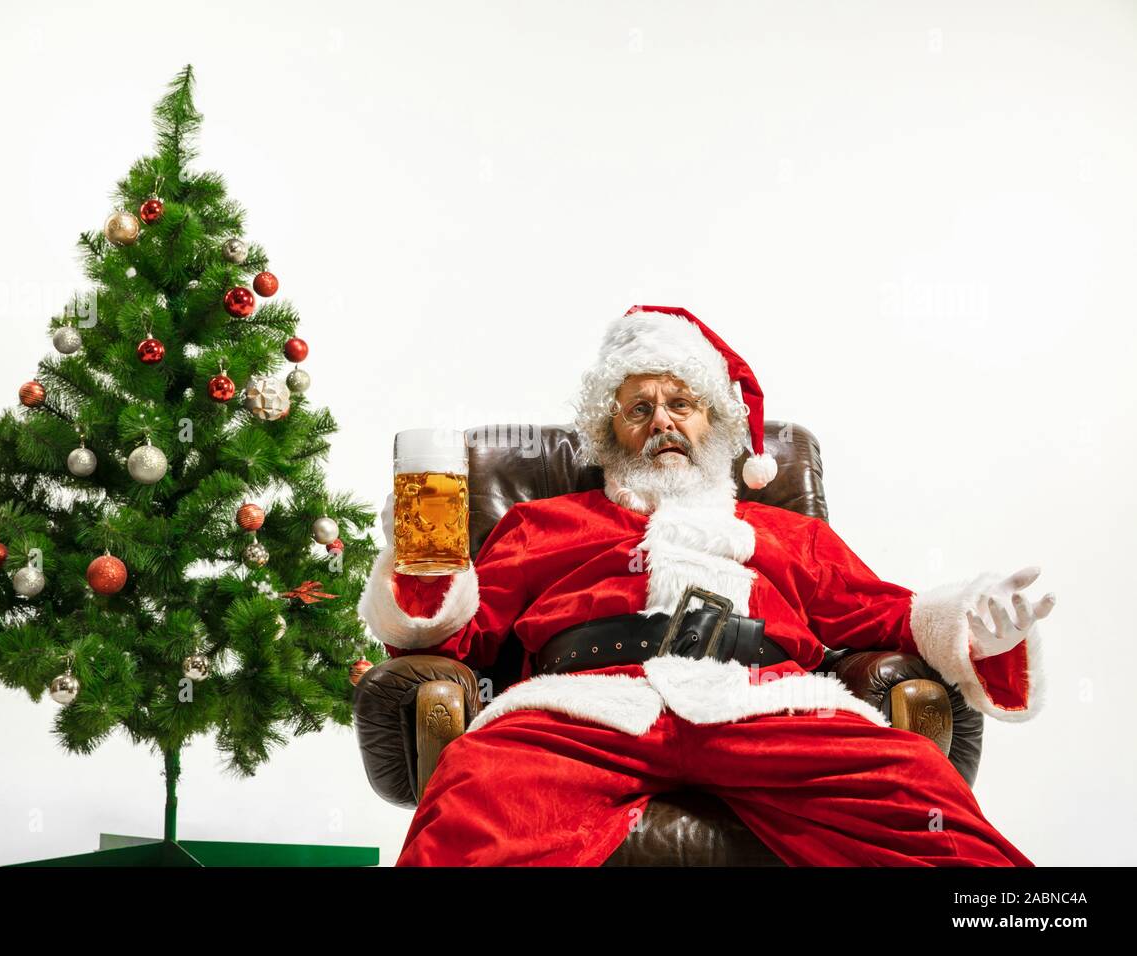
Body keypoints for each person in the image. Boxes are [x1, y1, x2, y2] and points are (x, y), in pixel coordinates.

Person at [358, 304, 1055, 867]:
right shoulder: (544, 522)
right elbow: (462, 632)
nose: (661, 420)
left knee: (920, 797)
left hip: (767, 703)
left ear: (714, 422)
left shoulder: (781, 532)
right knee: (474, 797)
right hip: (582, 708)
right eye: (638, 409)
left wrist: (976, 625)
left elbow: (884, 614)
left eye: (681, 403)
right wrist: (424, 568)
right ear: (610, 434)